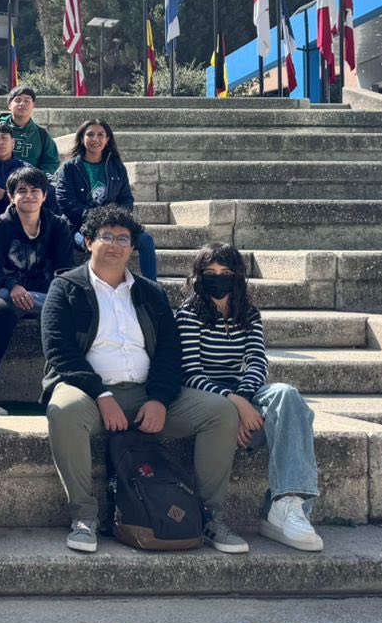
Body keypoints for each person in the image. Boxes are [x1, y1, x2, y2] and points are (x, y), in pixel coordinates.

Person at [43, 205, 245, 555]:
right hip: (88, 393)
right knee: (64, 411)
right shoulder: (66, 287)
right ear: (88, 242)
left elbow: (169, 351)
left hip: (145, 393)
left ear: (133, 247)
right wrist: (101, 395)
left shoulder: (151, 292)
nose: (115, 244)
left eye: (123, 239)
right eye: (106, 236)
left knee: (220, 412)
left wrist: (159, 399)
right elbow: (60, 351)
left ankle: (210, 517)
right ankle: (84, 516)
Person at [178, 242, 323, 551]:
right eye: (210, 272)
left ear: (237, 275)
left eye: (225, 272)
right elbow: (190, 373)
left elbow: (257, 362)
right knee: (272, 415)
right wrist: (234, 405)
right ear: (199, 275)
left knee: (288, 396)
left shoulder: (248, 314)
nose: (218, 278)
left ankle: (287, 503)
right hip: (206, 397)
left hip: (243, 392)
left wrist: (244, 399)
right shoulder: (188, 314)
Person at [0, 167, 75, 382]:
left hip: (45, 294)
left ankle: (64, 380)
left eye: (35, 190)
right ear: (11, 197)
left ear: (44, 196)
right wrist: (13, 286)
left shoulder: (58, 226)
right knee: (1, 309)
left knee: (68, 305)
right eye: (22, 191)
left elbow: (65, 269)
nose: (29, 195)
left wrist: (54, 295)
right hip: (7, 294)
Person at [55, 119, 159, 282]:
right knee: (96, 242)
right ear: (82, 138)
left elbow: (126, 199)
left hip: (113, 224)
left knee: (145, 239)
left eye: (100, 135)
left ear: (107, 139)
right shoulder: (69, 168)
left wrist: (113, 220)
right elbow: (65, 201)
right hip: (79, 226)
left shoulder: (116, 166)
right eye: (90, 134)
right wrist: (95, 220)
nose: (95, 139)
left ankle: (153, 288)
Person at [0, 84, 60, 174]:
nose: (22, 104)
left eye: (27, 100)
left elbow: (51, 163)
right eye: (18, 100)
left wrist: (37, 178)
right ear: (9, 105)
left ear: (33, 105)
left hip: (31, 180)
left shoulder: (42, 134)